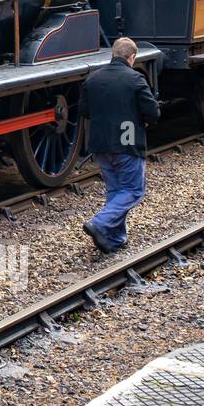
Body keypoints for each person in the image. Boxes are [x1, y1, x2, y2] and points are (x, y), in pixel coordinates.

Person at [77, 37, 160, 253]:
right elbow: (153, 112)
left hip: (100, 142)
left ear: (113, 54)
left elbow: (84, 111)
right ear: (132, 57)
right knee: (133, 190)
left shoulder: (93, 79)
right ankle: (100, 223)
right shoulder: (135, 79)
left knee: (115, 191)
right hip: (127, 139)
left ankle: (114, 238)